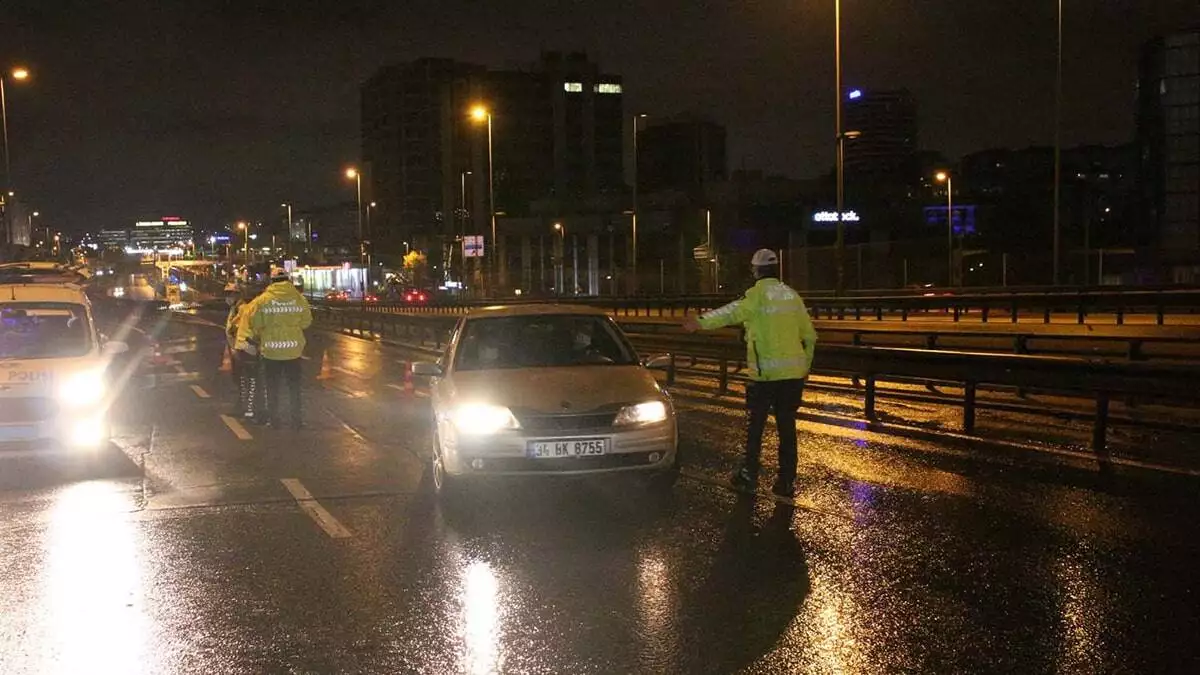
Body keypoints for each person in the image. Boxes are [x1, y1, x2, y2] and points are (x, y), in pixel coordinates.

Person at [683, 249, 818, 499]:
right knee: (787, 429)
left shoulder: (756, 296)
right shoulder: (792, 296)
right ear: (776, 269)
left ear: (755, 271)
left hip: (765, 378)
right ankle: (786, 481)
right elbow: (810, 336)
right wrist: (804, 367)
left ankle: (749, 474)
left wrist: (700, 322)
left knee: (755, 427)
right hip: (792, 377)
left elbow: (730, 312)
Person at [246, 267, 312, 429]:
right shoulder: (299, 299)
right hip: (293, 352)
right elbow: (306, 322)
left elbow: (254, 323)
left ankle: (274, 421)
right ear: (288, 280)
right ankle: (297, 421)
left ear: (271, 281)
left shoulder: (262, 300)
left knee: (272, 388)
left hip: (271, 352)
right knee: (294, 388)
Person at [231, 283, 266, 422]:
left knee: (245, 381)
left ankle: (246, 411)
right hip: (249, 347)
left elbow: (233, 326)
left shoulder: (246, 308)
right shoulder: (256, 308)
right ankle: (251, 412)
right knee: (253, 381)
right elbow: (259, 329)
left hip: (241, 347)